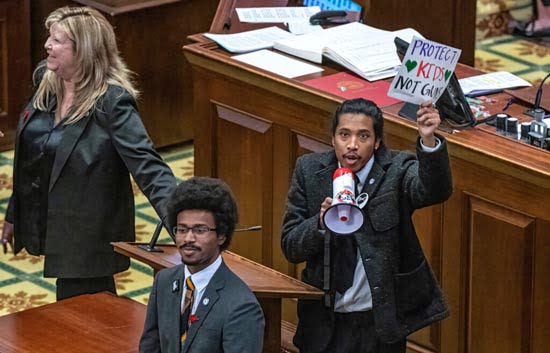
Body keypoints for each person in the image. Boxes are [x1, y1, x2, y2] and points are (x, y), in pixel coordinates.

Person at [0, 6, 176, 301]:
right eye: (49, 36)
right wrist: (15, 212)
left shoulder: (112, 102)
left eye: (57, 40)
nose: (47, 45)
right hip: (50, 225)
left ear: (83, 50)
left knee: (86, 323)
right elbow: (33, 156)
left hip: (87, 239)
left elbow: (149, 167)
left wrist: (184, 223)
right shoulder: (47, 79)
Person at [281, 98, 453, 353]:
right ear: (332, 139)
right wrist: (319, 223)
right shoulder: (309, 170)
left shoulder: (396, 170)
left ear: (377, 142)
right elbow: (290, 245)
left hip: (378, 323)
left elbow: (435, 191)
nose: (352, 145)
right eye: (344, 135)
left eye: (363, 136)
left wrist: (428, 141)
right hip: (324, 324)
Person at [139, 177, 265, 353]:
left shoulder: (241, 305)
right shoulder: (164, 281)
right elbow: (150, 347)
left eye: (200, 230)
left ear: (221, 235)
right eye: (182, 230)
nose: (189, 238)